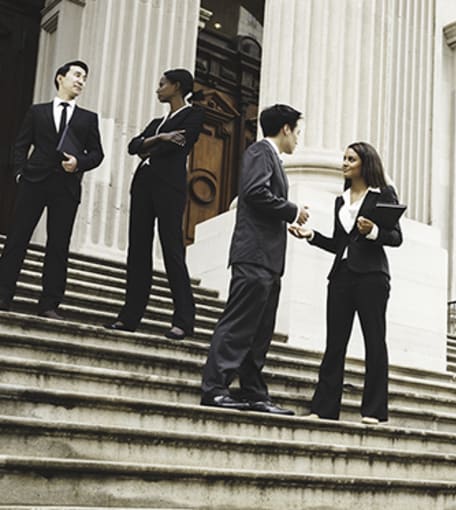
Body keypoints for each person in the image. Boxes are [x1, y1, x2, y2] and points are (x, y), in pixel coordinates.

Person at [200, 104, 309, 415]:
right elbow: (255, 193)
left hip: (269, 259)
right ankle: (215, 388)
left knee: (260, 331)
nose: (298, 139)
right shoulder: (261, 152)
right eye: (297, 131)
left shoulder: (271, 158)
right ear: (286, 129)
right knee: (238, 324)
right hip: (254, 255)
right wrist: (292, 210)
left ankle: (253, 392)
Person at [289, 142, 403, 424]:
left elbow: (396, 237)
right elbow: (339, 243)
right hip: (340, 276)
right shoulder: (340, 200)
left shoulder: (383, 194)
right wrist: (310, 235)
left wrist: (374, 230)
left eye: (351, 159)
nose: (344, 163)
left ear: (365, 163)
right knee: (335, 343)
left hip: (372, 277)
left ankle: (374, 411)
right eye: (344, 158)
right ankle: (324, 409)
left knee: (374, 342)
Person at [105, 68, 204, 340]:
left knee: (172, 250)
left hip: (169, 187)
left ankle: (184, 320)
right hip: (143, 185)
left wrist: (149, 147)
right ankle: (129, 318)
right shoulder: (156, 122)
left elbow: (181, 144)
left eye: (162, 84)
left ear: (177, 86)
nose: (158, 88)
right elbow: (133, 147)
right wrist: (159, 139)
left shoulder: (194, 115)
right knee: (137, 250)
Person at [0, 60, 104, 319]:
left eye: (84, 78)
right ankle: (2, 295)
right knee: (17, 239)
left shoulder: (87, 118)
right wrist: (20, 172)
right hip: (33, 182)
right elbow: (21, 144)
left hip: (66, 188)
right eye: (77, 75)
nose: (81, 81)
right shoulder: (37, 111)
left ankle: (49, 304)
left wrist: (79, 163)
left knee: (58, 245)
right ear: (60, 77)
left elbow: (97, 154)